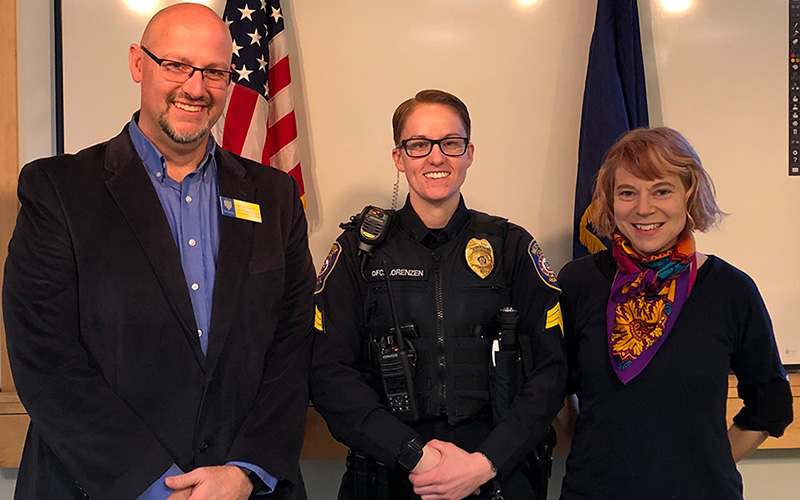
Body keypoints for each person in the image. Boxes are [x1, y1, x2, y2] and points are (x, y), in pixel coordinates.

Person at [3, 4, 314, 500]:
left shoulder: (274, 197)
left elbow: (292, 347)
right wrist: (155, 485)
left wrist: (244, 470)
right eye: (176, 65)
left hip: (244, 490)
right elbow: (45, 357)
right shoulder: (58, 190)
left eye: (214, 72)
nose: (195, 87)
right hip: (102, 486)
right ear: (137, 64)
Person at [310, 89, 566, 500]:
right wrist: (415, 456)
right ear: (399, 157)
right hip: (389, 474)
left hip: (495, 475)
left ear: (469, 153)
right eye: (418, 144)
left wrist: (485, 463)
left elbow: (551, 370)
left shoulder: (510, 246)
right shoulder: (358, 252)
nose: (436, 157)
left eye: (451, 143)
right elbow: (328, 373)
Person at [558, 127, 794, 500]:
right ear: (608, 200)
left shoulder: (730, 290)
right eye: (627, 193)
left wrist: (706, 468)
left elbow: (771, 407)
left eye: (662, 190)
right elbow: (554, 389)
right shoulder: (577, 282)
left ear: (689, 194)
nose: (644, 208)